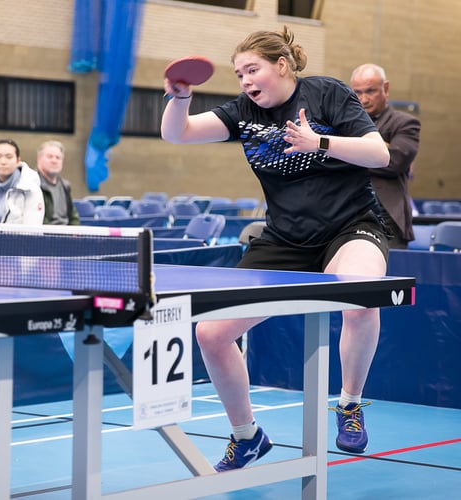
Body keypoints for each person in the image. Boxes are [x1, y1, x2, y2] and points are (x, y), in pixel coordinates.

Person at [161, 26, 390, 471]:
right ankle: (247, 436)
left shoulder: (327, 93)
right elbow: (179, 134)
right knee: (210, 333)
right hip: (285, 238)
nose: (245, 81)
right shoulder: (243, 112)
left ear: (281, 66)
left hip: (350, 225)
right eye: (238, 74)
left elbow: (378, 154)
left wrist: (318, 142)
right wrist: (181, 96)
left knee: (362, 294)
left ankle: (349, 404)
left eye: (253, 70)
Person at [350, 63, 421, 249]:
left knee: (390, 275)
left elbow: (393, 162)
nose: (363, 99)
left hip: (388, 216)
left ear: (386, 89)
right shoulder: (345, 124)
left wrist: (348, 152)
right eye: (357, 92)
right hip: (348, 213)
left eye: (370, 91)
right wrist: (376, 149)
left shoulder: (405, 123)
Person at [36, 140, 80, 225]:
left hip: (67, 234)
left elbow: (73, 216)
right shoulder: (32, 184)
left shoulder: (65, 186)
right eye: (50, 157)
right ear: (39, 159)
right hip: (45, 235)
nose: (54, 160)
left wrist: (75, 233)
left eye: (58, 158)